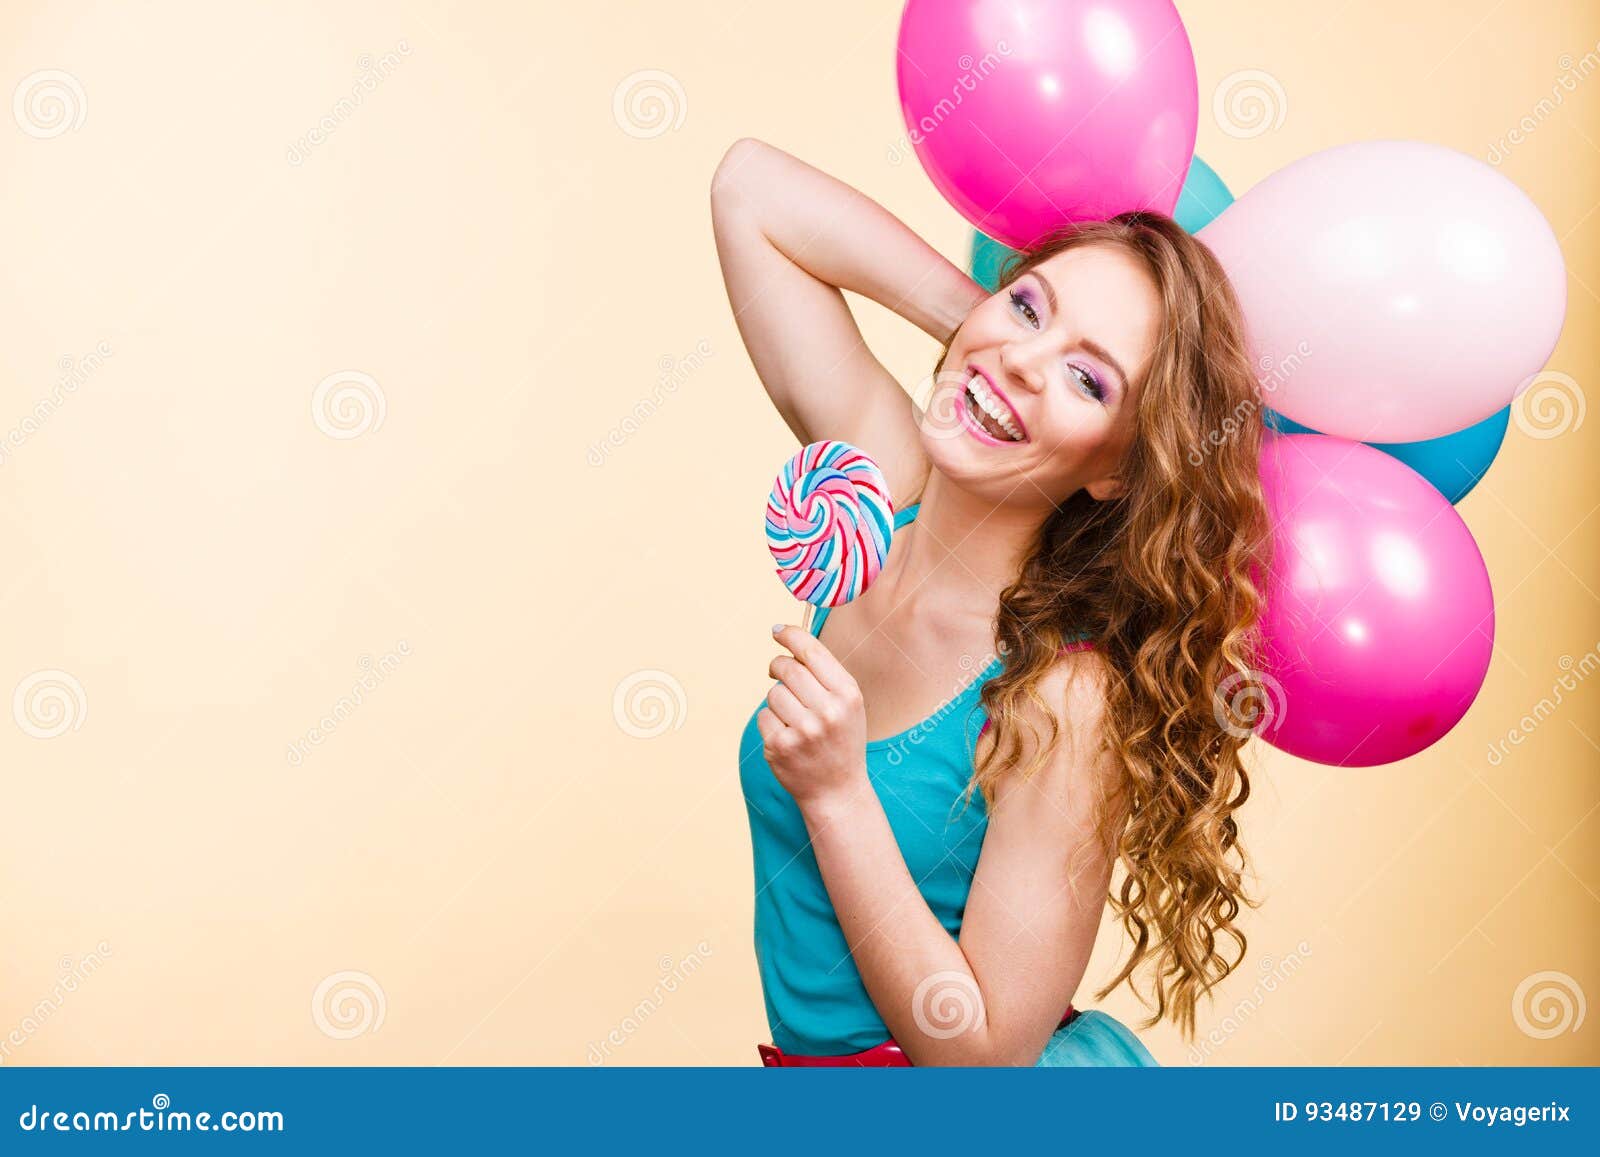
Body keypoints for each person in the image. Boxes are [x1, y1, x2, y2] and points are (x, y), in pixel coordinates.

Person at [711, 137, 1272, 1067]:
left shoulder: (1063, 697)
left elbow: (983, 1062)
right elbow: (751, 193)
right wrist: (990, 336)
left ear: (1118, 469)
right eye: (1026, 303)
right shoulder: (880, 488)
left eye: (1090, 381)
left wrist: (839, 792)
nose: (1024, 360)